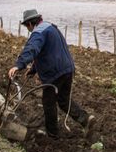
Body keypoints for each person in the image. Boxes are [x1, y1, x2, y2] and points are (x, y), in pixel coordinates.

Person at [8, 9, 95, 138]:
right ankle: (85, 119)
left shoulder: (38, 33)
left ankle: (52, 135)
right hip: (68, 69)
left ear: (31, 23)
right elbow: (47, 51)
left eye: (27, 25)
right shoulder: (50, 27)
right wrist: (33, 70)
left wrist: (18, 65)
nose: (27, 28)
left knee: (48, 102)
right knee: (64, 100)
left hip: (54, 73)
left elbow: (32, 49)